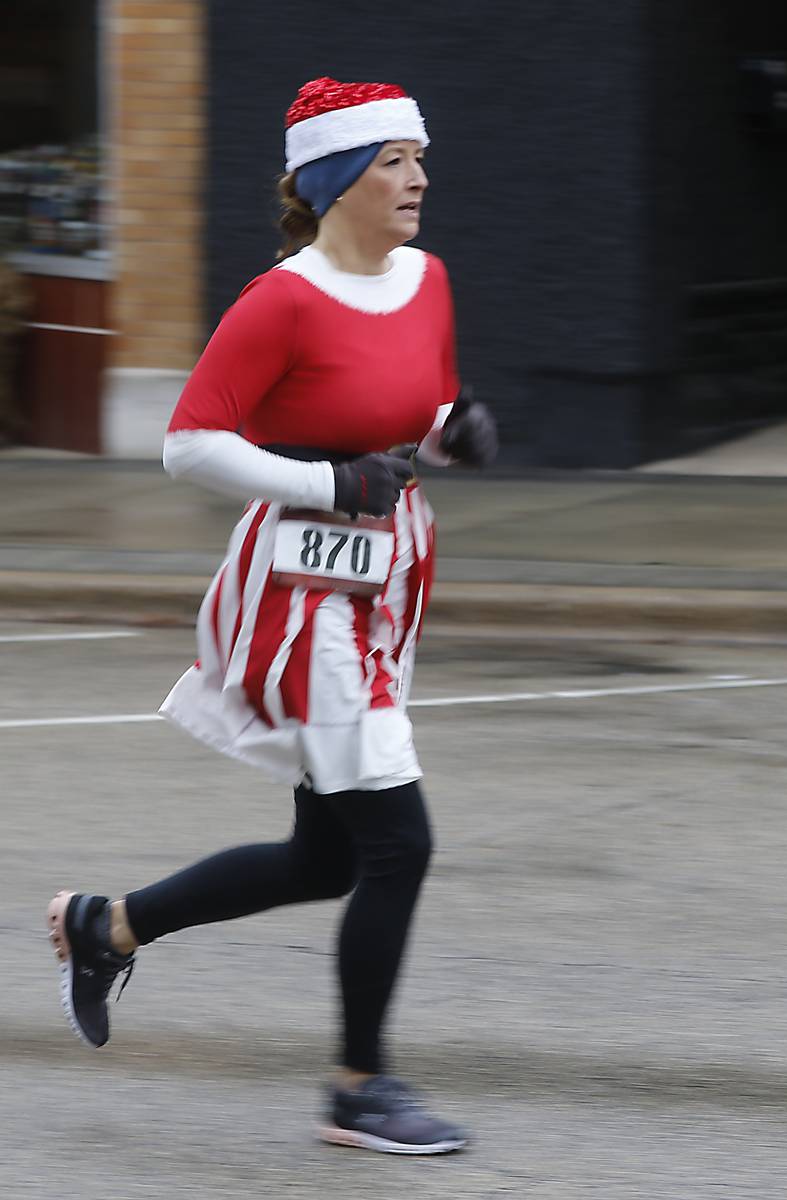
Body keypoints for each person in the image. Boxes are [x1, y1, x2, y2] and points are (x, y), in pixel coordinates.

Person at [47, 76, 497, 1156]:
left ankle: (104, 926)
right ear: (338, 179)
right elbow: (189, 441)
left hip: (385, 580)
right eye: (393, 161)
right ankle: (358, 1089)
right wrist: (322, 484)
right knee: (398, 842)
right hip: (302, 593)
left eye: (416, 159)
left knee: (326, 860)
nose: (418, 179)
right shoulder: (280, 300)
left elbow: (412, 404)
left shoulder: (424, 280)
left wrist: (452, 430)